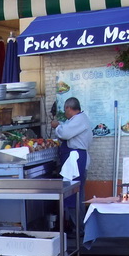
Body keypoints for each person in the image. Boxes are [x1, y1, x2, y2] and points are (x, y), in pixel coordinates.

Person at [51, 96, 91, 225]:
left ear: (68, 108)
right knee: (74, 194)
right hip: (74, 160)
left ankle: (79, 228)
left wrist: (57, 126)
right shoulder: (77, 120)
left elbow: (65, 134)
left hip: (76, 161)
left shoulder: (79, 119)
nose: (65, 112)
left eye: (65, 109)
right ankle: (77, 226)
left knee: (74, 195)